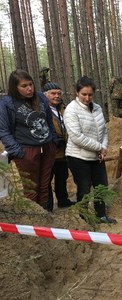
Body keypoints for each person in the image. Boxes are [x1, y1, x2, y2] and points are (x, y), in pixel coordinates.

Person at [0, 69, 57, 208]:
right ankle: (32, 220)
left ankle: (44, 220)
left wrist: (53, 140)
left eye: (30, 84)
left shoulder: (41, 97)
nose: (29, 88)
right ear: (15, 87)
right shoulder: (8, 103)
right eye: (24, 86)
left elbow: (49, 120)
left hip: (47, 148)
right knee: (30, 188)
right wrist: (18, 151)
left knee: (44, 186)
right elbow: (3, 130)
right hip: (26, 150)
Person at [64, 76, 116, 224]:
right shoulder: (71, 110)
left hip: (97, 156)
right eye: (84, 94)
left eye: (90, 94)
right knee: (84, 189)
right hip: (78, 157)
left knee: (101, 186)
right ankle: (84, 218)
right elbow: (76, 137)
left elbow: (104, 131)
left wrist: (104, 148)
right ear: (77, 93)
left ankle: (101, 215)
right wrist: (99, 147)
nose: (87, 98)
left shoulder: (97, 108)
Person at [43, 82, 75, 211]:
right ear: (45, 95)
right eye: (53, 93)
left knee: (62, 176)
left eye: (59, 93)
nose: (57, 96)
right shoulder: (41, 109)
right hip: (48, 152)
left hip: (63, 151)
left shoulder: (64, 109)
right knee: (47, 179)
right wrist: (53, 139)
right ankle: (48, 205)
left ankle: (63, 200)